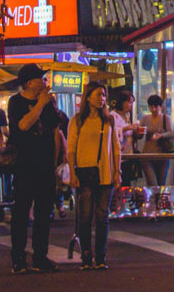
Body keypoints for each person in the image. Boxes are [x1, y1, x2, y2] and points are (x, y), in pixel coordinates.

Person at [7, 64, 64, 274]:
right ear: (29, 82)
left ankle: (40, 256)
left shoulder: (49, 103)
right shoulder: (16, 102)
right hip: (23, 165)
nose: (44, 82)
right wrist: (40, 104)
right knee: (21, 213)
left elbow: (55, 131)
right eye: (41, 78)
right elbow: (23, 125)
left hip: (45, 165)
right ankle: (18, 258)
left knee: (43, 214)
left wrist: (56, 161)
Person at [67, 82, 121, 270]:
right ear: (88, 97)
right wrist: (73, 173)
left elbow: (115, 147)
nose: (102, 98)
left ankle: (100, 257)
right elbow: (71, 149)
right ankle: (86, 257)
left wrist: (117, 171)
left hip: (106, 173)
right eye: (98, 94)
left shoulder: (109, 120)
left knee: (102, 216)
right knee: (85, 216)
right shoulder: (77, 121)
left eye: (104, 95)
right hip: (85, 172)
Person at [140, 95, 174, 186]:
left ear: (161, 106)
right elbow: (140, 134)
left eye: (155, 107)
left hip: (162, 154)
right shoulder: (145, 118)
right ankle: (152, 199)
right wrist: (139, 132)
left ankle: (159, 199)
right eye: (151, 107)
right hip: (147, 154)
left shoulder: (165, 118)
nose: (153, 109)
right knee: (152, 183)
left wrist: (161, 135)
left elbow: (171, 132)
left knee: (161, 183)